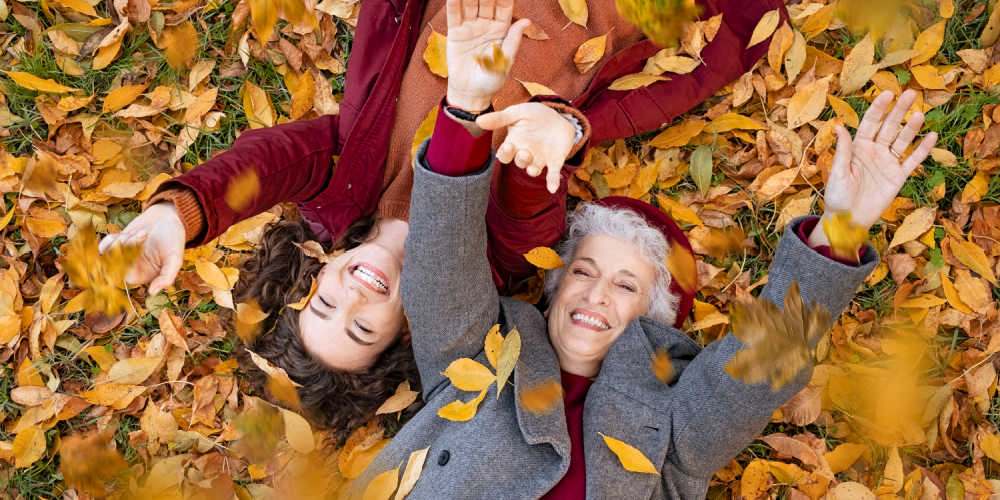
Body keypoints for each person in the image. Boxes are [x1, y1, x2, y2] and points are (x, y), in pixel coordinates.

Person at [100, 0, 781, 437]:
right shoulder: (491, 258)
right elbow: (531, 204)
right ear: (401, 337)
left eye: (326, 300)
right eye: (362, 325)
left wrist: (179, 218)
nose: (355, 293)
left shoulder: (341, 188)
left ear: (316, 268)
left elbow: (269, 162)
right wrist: (555, 136)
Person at [343, 2, 939, 496]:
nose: (595, 294)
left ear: (650, 324)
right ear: (551, 289)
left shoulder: (672, 433)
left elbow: (761, 368)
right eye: (583, 272)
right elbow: (440, 270)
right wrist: (465, 110)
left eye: (626, 285)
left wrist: (841, 225)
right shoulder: (478, 362)